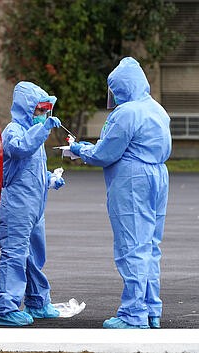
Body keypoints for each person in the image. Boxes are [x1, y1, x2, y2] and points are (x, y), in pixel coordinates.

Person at [70, 57, 172, 329]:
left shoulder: (127, 113)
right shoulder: (157, 109)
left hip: (133, 180)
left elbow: (106, 153)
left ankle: (133, 314)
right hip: (158, 177)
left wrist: (81, 150)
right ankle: (151, 309)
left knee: (132, 247)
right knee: (150, 245)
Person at [0, 81, 65, 326]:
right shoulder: (14, 131)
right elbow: (20, 149)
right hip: (16, 206)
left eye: (46, 110)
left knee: (34, 255)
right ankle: (6, 308)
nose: (43, 115)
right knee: (15, 254)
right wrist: (42, 129)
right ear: (26, 108)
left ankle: (37, 301)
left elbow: (32, 172)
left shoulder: (36, 134)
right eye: (39, 110)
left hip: (35, 206)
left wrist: (50, 179)